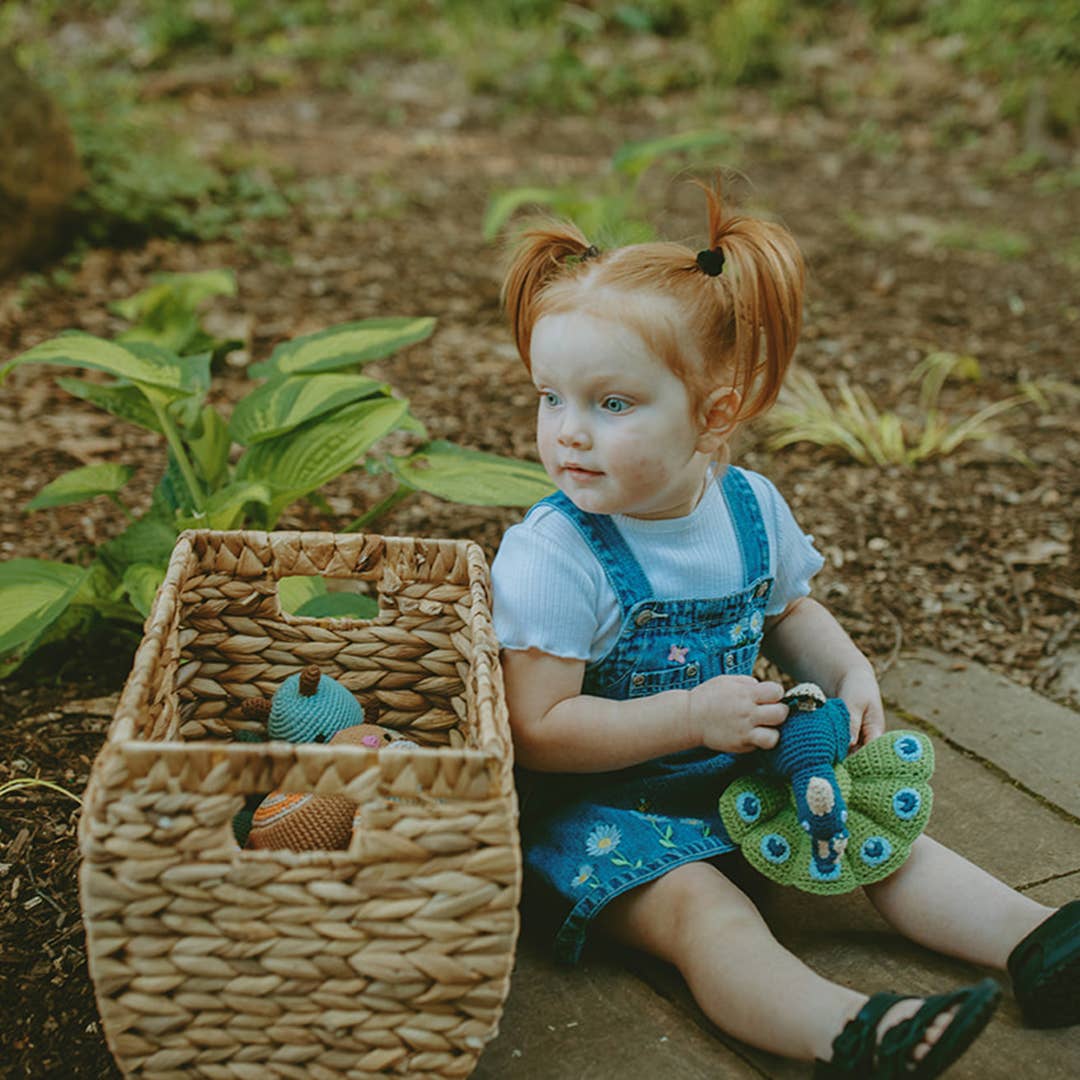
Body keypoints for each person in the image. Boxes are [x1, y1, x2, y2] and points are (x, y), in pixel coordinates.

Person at [490, 179, 1079, 1077]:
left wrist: (849, 673)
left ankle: (1037, 943)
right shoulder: (555, 556)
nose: (569, 434)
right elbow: (536, 732)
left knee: (886, 843)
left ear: (715, 413)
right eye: (550, 399)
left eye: (612, 405)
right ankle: (853, 1032)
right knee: (708, 916)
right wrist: (688, 719)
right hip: (605, 820)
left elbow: (790, 609)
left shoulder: (748, 508)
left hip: (741, 772)